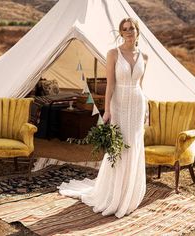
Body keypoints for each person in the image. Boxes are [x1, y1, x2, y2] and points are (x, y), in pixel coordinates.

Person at [58, 18, 148, 218]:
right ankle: (112, 194)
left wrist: (146, 109)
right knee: (118, 146)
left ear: (137, 30)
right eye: (124, 29)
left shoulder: (145, 57)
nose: (128, 32)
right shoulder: (114, 54)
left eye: (131, 29)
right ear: (121, 32)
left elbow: (141, 86)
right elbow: (110, 85)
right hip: (119, 104)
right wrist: (107, 110)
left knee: (133, 146)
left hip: (137, 103)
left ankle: (129, 193)